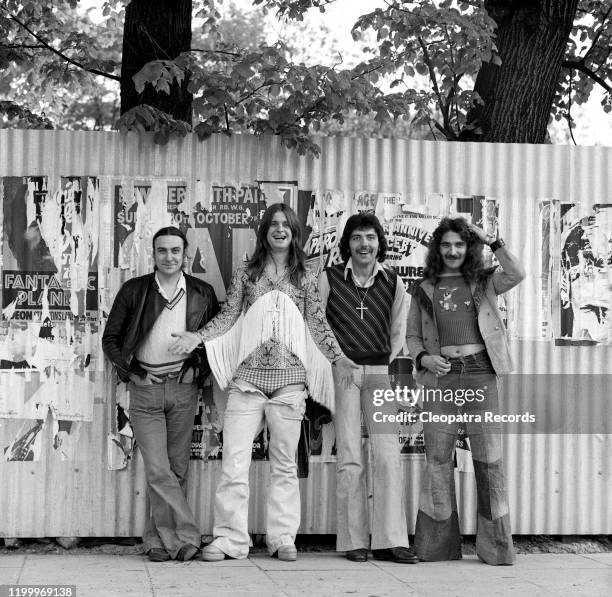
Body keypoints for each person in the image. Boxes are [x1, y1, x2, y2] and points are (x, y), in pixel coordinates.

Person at [172, 203, 357, 562]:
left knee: (285, 464)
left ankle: (282, 538)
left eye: (285, 225)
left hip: (290, 382)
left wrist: (339, 357)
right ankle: (230, 540)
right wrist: (198, 337)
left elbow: (317, 323)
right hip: (247, 381)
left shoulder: (305, 275)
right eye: (273, 224)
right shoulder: (247, 272)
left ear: (294, 232)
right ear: (264, 232)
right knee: (234, 462)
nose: (279, 230)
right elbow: (228, 316)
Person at [406, 217, 525, 565]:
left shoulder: (484, 280)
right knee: (437, 461)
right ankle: (436, 548)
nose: (453, 250)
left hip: (480, 373)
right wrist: (424, 358)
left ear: (468, 247)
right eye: (446, 245)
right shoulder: (424, 287)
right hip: (441, 378)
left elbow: (517, 273)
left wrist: (493, 240)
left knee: (488, 460)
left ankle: (496, 549)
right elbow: (412, 336)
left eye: (459, 244)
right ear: (437, 249)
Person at [102, 226, 219, 562]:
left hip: (183, 390)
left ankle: (158, 540)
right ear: (153, 254)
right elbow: (111, 340)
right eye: (162, 251)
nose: (169, 257)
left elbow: (214, 339)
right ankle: (188, 535)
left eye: (175, 251)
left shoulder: (202, 292)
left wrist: (200, 370)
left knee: (177, 469)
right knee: (157, 469)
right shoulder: (135, 290)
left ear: (185, 254)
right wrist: (132, 374)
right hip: (146, 391)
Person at [318, 213, 418, 564]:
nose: (364, 244)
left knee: (389, 457)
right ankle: (354, 540)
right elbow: (317, 324)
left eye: (371, 237)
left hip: (380, 373)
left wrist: (391, 371)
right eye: (358, 237)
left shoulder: (393, 282)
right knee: (349, 456)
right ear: (347, 243)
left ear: (379, 243)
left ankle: (391, 539)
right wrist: (337, 358)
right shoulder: (329, 278)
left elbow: (399, 331)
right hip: (343, 372)